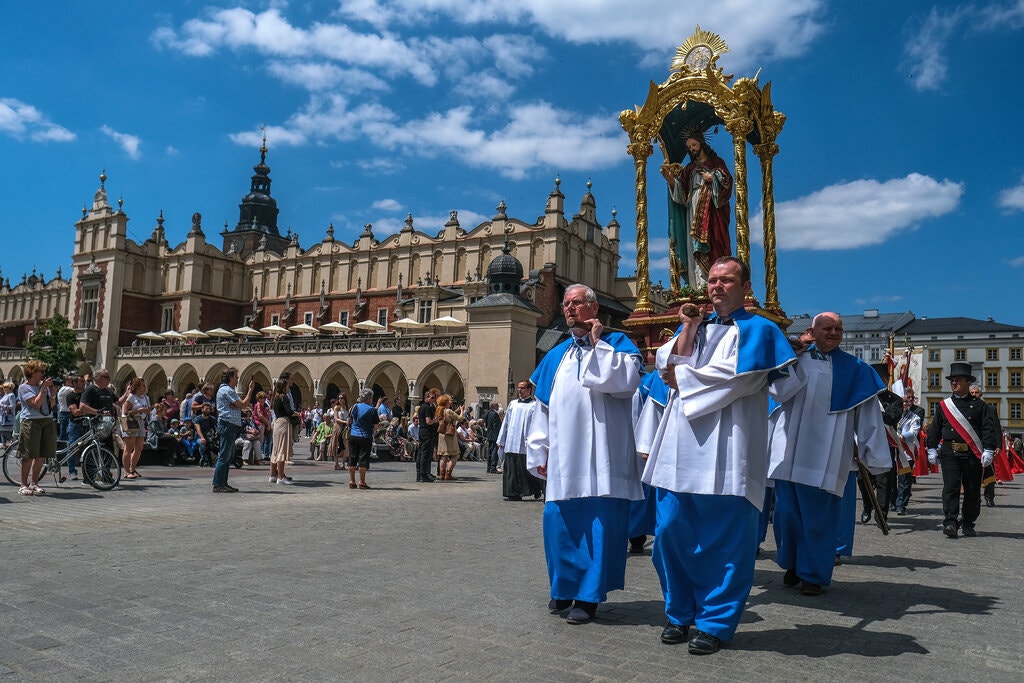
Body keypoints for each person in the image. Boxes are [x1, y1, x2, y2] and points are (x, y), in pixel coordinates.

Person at [642, 257, 797, 654]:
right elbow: (666, 363)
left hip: (730, 450)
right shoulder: (693, 328)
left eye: (726, 280)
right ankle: (680, 613)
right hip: (680, 447)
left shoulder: (761, 330)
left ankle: (715, 622)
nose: (716, 286)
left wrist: (685, 377)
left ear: (745, 286)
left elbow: (741, 378)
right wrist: (689, 329)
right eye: (712, 280)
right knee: (671, 534)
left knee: (727, 542)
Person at [527, 283, 645, 626]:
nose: (568, 309)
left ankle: (589, 595)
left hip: (603, 459)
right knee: (558, 526)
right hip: (565, 458)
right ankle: (563, 587)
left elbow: (622, 384)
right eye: (565, 303)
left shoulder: (619, 345)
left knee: (599, 527)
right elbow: (542, 409)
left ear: (594, 308)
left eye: (576, 302)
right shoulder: (556, 354)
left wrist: (597, 344)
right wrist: (539, 448)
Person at [767, 312, 892, 596]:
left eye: (838, 328)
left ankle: (813, 574)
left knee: (819, 519)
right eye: (827, 328)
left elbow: (870, 417)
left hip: (827, 455)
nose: (833, 332)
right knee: (787, 517)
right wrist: (789, 356)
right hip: (788, 453)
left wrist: (875, 456)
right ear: (813, 331)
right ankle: (793, 564)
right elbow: (775, 394)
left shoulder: (856, 369)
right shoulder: (794, 360)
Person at [926, 363, 1000, 538]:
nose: (954, 383)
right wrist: (931, 448)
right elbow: (935, 429)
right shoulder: (944, 405)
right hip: (950, 452)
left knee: (972, 490)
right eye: (952, 380)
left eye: (958, 380)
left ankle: (968, 522)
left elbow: (989, 430)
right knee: (950, 488)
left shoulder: (981, 406)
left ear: (968, 382)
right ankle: (950, 521)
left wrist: (988, 449)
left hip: (971, 454)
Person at [660, 128, 733, 290]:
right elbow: (682, 194)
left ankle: (712, 282)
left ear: (701, 143)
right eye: (689, 146)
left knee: (712, 242)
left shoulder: (716, 162)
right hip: (692, 209)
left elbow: (727, 181)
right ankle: (697, 285)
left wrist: (713, 178)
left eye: (694, 144)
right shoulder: (689, 169)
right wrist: (672, 182)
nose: (692, 148)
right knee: (693, 245)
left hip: (711, 210)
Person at [497, 380, 543, 501]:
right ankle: (513, 493)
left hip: (525, 442)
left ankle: (536, 488)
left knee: (526, 470)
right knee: (511, 468)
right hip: (511, 441)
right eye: (518, 388)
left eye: (522, 388)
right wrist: (501, 440)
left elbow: (537, 424)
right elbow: (506, 423)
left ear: (529, 390)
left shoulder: (534, 405)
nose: (519, 390)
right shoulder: (512, 404)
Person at [16, 360, 58, 496]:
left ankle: (34, 483)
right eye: (41, 371)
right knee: (28, 455)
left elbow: (51, 406)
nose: (43, 374)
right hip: (31, 422)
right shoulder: (24, 387)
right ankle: (23, 485)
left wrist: (52, 393)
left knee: (41, 455)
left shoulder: (42, 386)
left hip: (46, 420)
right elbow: (35, 404)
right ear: (33, 372)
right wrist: (43, 389)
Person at [213, 367, 254, 493]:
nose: (237, 379)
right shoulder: (227, 390)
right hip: (227, 425)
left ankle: (223, 483)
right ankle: (218, 484)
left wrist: (236, 406)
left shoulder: (227, 390)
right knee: (224, 455)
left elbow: (238, 406)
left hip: (229, 425)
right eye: (236, 377)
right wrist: (250, 390)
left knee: (228, 455)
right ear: (230, 378)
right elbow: (243, 404)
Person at [969, 384, 1003, 507]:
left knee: (989, 472)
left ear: (981, 394)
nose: (974, 395)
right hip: (971, 446)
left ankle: (989, 498)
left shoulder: (990, 409)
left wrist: (998, 445)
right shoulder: (966, 409)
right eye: (971, 393)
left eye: (976, 392)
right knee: (971, 473)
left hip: (987, 445)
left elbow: (996, 429)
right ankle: (974, 498)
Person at [894, 390, 925, 515]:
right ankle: (892, 502)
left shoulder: (914, 417)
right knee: (890, 480)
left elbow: (913, 433)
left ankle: (901, 504)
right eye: (901, 401)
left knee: (904, 481)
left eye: (906, 401)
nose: (904, 404)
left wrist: (899, 437)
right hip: (892, 451)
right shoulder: (892, 415)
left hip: (906, 453)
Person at [347, 388, 378, 489]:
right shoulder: (372, 409)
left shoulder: (354, 407)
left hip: (353, 435)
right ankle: (362, 481)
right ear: (369, 398)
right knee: (363, 459)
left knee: (352, 458)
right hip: (365, 436)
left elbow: (349, 420)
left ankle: (352, 481)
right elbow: (376, 426)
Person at [121, 377, 151, 479]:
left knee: (139, 447)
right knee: (128, 447)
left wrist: (147, 411)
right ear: (137, 386)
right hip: (130, 422)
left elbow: (148, 410)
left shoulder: (146, 397)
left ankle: (132, 469)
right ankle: (126, 471)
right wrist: (139, 410)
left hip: (141, 422)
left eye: (144, 385)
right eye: (142, 385)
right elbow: (125, 412)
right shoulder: (131, 397)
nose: (144, 387)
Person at [269, 378, 295, 484]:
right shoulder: (284, 397)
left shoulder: (275, 398)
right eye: (287, 386)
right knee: (282, 450)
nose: (289, 387)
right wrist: (297, 414)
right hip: (284, 423)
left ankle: (272, 475)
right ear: (283, 387)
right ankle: (280, 477)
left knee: (275, 450)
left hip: (276, 423)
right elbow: (289, 411)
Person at [56, 372, 79, 478]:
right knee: (64, 438)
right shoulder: (64, 389)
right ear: (67, 382)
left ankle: (61, 460)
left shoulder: (65, 389)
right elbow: (77, 389)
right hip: (65, 414)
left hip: (66, 414)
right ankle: (60, 460)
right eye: (72, 381)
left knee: (65, 438)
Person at [436, 394, 463, 481]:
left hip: (442, 434)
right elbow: (460, 418)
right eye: (450, 400)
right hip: (449, 435)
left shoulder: (440, 410)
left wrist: (455, 410)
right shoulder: (449, 411)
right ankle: (448, 474)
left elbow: (447, 417)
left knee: (444, 456)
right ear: (446, 402)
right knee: (455, 455)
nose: (451, 401)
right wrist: (462, 410)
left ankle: (442, 474)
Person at [415, 389, 439, 483]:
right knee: (425, 454)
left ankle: (420, 474)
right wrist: (436, 420)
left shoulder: (422, 407)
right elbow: (428, 421)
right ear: (427, 397)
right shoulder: (427, 407)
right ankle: (423, 475)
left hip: (423, 431)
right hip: (426, 432)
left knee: (421, 453)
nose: (433, 399)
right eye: (432, 398)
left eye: (434, 398)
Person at [484, 401, 502, 474]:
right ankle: (493, 468)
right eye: (497, 405)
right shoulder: (495, 414)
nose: (498, 407)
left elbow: (487, 424)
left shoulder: (488, 413)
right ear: (494, 406)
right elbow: (495, 426)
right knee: (494, 451)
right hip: (495, 435)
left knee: (490, 451)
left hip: (489, 434)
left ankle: (489, 467)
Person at [0, 381, 16, 448]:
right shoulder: (5, 395)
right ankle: (4, 445)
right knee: (1, 430)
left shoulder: (11, 395)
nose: (4, 388)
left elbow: (13, 406)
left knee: (3, 430)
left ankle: (14, 440)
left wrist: (2, 406)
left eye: (5, 387)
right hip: (2, 415)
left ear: (9, 388)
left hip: (7, 417)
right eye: (3, 387)